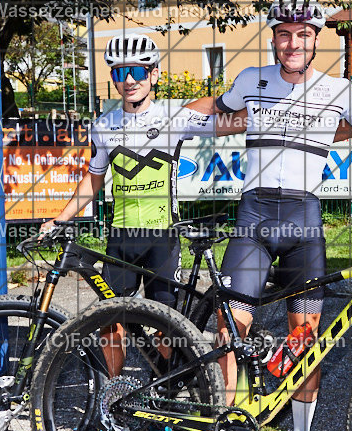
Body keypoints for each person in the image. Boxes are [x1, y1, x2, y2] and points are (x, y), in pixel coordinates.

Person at [175, 0, 352, 431]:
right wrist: (164, 114)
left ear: (317, 40)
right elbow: (216, 110)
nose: (294, 43)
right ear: (273, 38)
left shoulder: (339, 88)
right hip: (252, 217)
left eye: (304, 34)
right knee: (231, 329)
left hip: (304, 219)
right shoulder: (251, 80)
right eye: (285, 34)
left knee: (305, 338)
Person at [41, 34, 238, 375]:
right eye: (119, 73)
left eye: (136, 71)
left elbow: (233, 122)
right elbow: (94, 179)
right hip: (121, 238)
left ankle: (162, 396)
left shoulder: (176, 117)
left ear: (154, 75)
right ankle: (110, 400)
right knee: (109, 321)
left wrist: (269, 106)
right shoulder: (103, 126)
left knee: (166, 323)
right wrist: (59, 219)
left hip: (163, 237)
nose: (128, 80)